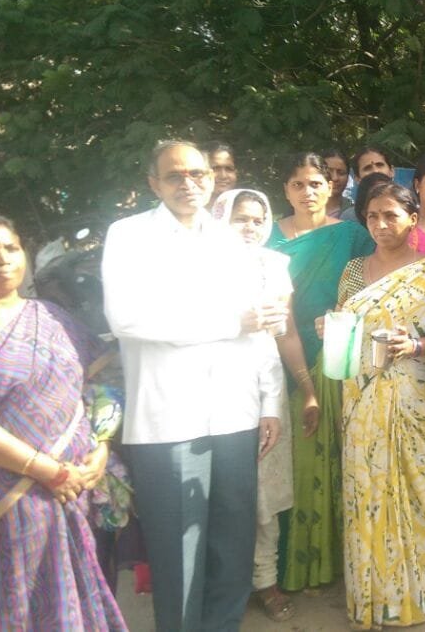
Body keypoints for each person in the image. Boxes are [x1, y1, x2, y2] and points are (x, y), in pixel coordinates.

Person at [102, 141, 284, 629]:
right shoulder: (129, 236)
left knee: (232, 542)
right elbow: (127, 318)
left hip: (234, 413)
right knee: (178, 553)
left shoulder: (228, 240)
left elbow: (258, 326)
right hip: (168, 419)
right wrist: (230, 320)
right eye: (176, 176)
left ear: (211, 178)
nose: (189, 184)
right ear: (153, 183)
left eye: (198, 174)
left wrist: (270, 402)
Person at [337, 182, 425, 628]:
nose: (380, 225)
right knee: (372, 492)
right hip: (365, 400)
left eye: (390, 215)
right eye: (372, 216)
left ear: (412, 220)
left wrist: (416, 344)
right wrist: (331, 327)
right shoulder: (355, 272)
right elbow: (345, 328)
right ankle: (383, 595)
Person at [0, 216, 127, 630]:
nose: (1, 260)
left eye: (10, 248)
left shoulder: (51, 316)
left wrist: (101, 446)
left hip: (78, 487)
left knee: (84, 590)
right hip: (13, 498)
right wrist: (47, 471)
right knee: (19, 600)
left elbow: (97, 382)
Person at [267, 152, 375, 592]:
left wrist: (342, 314)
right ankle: (301, 560)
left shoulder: (351, 235)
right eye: (298, 184)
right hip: (283, 356)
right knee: (300, 454)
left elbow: (372, 286)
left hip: (341, 355)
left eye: (315, 183)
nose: (308, 192)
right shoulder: (267, 237)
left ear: (330, 187)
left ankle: (345, 554)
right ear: (285, 190)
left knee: (342, 453)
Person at [210, 188, 312, 623]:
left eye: (257, 219)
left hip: (263, 388)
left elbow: (281, 334)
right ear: (219, 219)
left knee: (264, 493)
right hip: (210, 393)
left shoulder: (274, 265)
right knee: (220, 497)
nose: (250, 227)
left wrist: (297, 390)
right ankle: (222, 585)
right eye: (239, 219)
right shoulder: (199, 266)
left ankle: (265, 579)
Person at [323, 151, 352, 219]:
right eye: (329, 172)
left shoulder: (355, 213)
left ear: (348, 177)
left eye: (341, 173)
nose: (334, 178)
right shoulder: (298, 209)